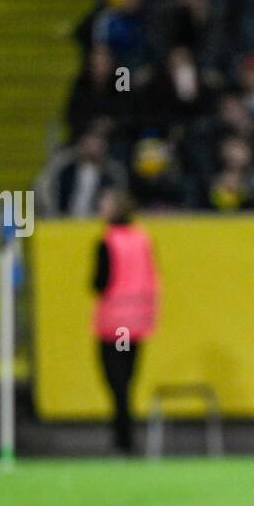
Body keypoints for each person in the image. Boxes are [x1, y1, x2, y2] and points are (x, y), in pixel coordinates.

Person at [91, 188, 158, 454]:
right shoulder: (142, 239)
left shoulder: (107, 241)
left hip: (115, 323)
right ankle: (126, 436)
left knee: (115, 380)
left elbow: (99, 282)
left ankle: (123, 437)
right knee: (127, 379)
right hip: (138, 320)